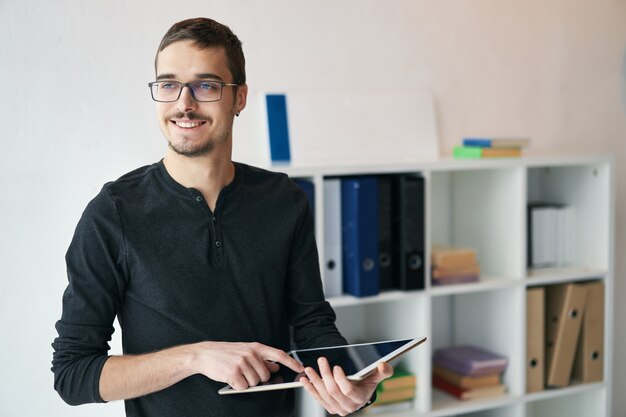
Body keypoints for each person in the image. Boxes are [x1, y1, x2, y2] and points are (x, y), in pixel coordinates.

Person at [51, 17, 392, 417]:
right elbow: (72, 374)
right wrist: (193, 358)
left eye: (206, 86)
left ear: (239, 97)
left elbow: (312, 324)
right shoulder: (113, 213)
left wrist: (351, 384)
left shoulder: (284, 200)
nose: (184, 103)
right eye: (168, 85)